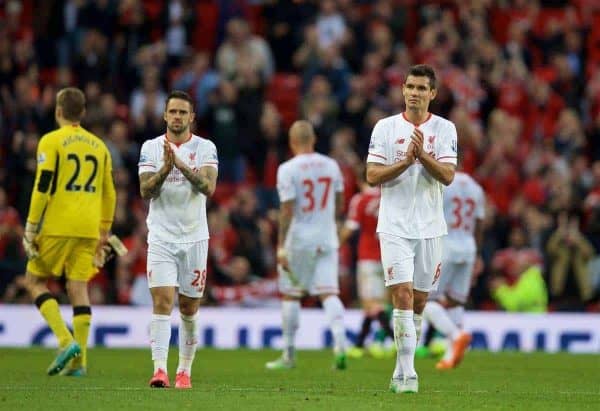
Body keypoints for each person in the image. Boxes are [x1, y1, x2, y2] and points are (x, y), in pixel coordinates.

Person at [366, 64, 457, 393]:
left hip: (431, 227)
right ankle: (408, 374)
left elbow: (447, 176)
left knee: (418, 302)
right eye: (409, 87)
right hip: (394, 225)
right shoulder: (385, 128)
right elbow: (372, 176)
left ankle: (400, 367)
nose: (414, 93)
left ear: (432, 94)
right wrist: (405, 162)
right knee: (401, 295)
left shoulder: (445, 129)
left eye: (421, 88)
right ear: (402, 90)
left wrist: (422, 157)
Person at [22, 87, 117, 376]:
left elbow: (43, 185)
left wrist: (31, 226)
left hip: (58, 224)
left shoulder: (51, 141)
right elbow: (109, 193)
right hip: (89, 228)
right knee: (78, 287)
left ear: (58, 111)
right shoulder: (99, 146)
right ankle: (81, 363)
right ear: (83, 112)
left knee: (34, 281)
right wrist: (104, 230)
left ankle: (65, 341)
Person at [138, 90, 218, 389]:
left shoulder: (205, 148)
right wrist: (165, 169)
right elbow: (146, 190)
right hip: (161, 236)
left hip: (195, 238)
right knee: (162, 301)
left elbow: (208, 187)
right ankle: (160, 370)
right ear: (164, 115)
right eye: (173, 112)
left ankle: (184, 370)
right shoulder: (150, 148)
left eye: (183, 112)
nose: (177, 117)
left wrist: (181, 166)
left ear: (191, 117)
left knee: (188, 308)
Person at [266, 120, 348, 370]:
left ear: (292, 142)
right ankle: (340, 346)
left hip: (299, 239)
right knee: (329, 292)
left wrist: (280, 245)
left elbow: (288, 210)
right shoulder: (331, 165)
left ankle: (289, 354)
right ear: (313, 139)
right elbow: (340, 201)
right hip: (326, 237)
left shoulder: (288, 169)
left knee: (291, 294)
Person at [422, 170, 484, 369]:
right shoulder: (476, 188)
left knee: (425, 300)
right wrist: (477, 253)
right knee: (456, 301)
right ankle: (450, 356)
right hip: (468, 247)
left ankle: (456, 336)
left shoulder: (442, 183)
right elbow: (480, 223)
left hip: (445, 245)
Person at [339, 176, 394, 359]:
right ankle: (360, 344)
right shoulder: (390, 197)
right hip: (390, 256)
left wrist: (335, 246)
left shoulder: (360, 199)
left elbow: (350, 227)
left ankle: (395, 340)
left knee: (371, 304)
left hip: (368, 257)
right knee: (381, 304)